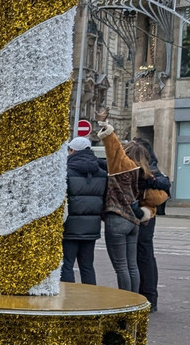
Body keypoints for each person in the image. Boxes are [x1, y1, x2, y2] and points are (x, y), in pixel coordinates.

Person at [125, 140, 170, 311]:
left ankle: (142, 297)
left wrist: (145, 180)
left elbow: (164, 184)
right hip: (146, 218)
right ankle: (149, 297)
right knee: (145, 255)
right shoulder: (151, 166)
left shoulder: (145, 168)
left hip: (141, 217)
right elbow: (165, 183)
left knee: (137, 257)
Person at [97, 122, 141, 292]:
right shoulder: (139, 169)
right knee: (132, 265)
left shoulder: (121, 167)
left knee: (121, 267)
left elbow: (114, 148)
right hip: (134, 219)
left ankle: (126, 303)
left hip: (117, 217)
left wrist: (108, 132)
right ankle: (135, 301)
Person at [61, 136, 106, 285]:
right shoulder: (101, 172)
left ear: (72, 150)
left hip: (70, 226)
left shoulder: (66, 171)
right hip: (91, 227)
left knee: (67, 264)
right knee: (87, 266)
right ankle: (90, 298)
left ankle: (68, 297)